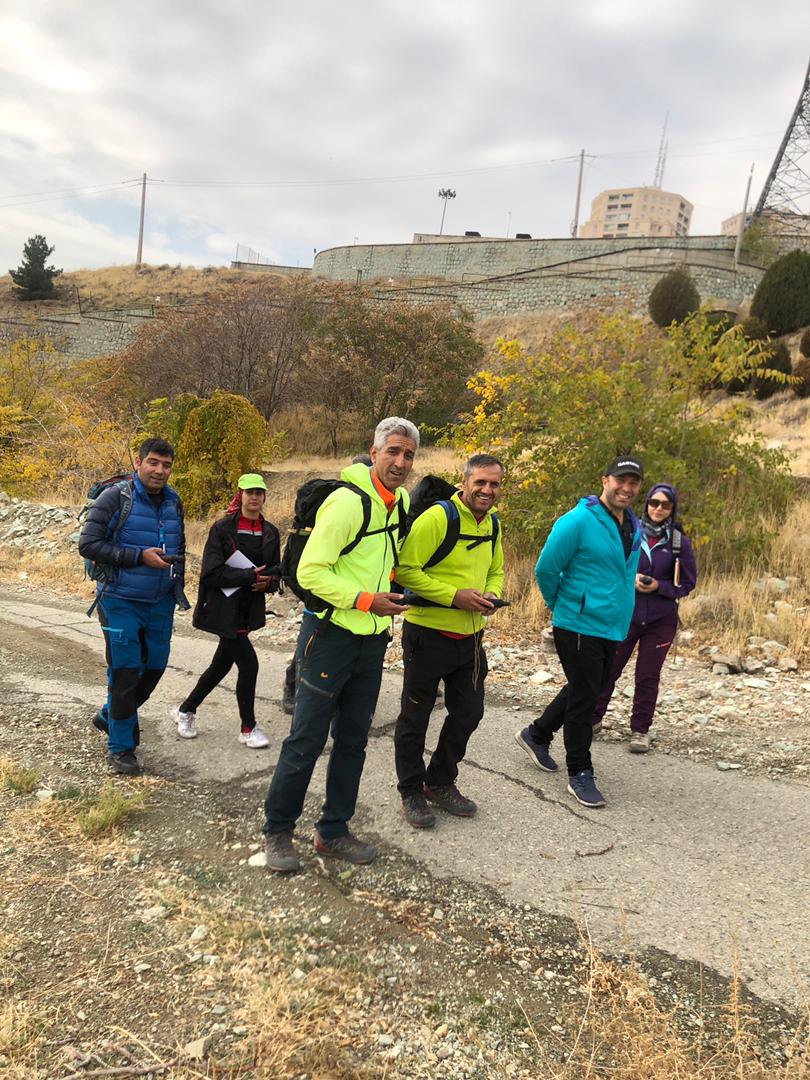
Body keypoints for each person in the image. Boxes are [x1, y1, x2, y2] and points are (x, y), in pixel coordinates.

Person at [263, 418, 418, 872]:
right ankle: (278, 831)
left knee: (353, 740)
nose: (400, 462)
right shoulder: (347, 503)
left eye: (408, 455)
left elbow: (382, 562)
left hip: (372, 641)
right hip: (329, 637)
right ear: (374, 452)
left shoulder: (400, 502)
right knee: (306, 740)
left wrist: (396, 595)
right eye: (393, 451)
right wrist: (367, 600)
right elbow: (309, 572)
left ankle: (332, 831)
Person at [514, 456, 644, 808]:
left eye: (633, 482)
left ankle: (537, 734)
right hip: (577, 624)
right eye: (620, 480)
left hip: (612, 624)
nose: (626, 488)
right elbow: (546, 568)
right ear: (605, 480)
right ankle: (580, 773)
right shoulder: (577, 521)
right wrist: (563, 605)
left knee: (587, 688)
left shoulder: (633, 525)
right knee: (586, 698)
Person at [393, 453, 505, 828]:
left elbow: (496, 570)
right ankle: (411, 790)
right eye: (480, 482)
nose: (487, 490)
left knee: (469, 713)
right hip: (427, 634)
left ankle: (439, 781)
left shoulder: (493, 524)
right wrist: (454, 596)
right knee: (415, 717)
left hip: (470, 638)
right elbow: (405, 571)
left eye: (494, 484)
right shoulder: (438, 518)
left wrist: (491, 594)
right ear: (464, 482)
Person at [79, 438, 188, 776]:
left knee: (154, 668)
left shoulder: (173, 502)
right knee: (125, 673)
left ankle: (110, 714)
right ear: (139, 463)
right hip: (119, 600)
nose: (159, 470)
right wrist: (139, 557)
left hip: (160, 602)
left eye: (166, 465)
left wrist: (177, 588)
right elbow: (89, 544)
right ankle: (121, 748)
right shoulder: (116, 498)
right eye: (153, 462)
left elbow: (179, 548)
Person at [173, 474, 281, 748]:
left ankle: (186, 710)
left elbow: (275, 572)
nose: (254, 497)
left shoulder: (270, 532)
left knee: (220, 665)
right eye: (249, 492)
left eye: (259, 492)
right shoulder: (222, 529)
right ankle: (248, 728)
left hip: (248, 609)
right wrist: (248, 576)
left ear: (264, 497)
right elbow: (210, 572)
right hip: (223, 609)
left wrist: (268, 583)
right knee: (249, 664)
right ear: (240, 495)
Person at [590, 483, 697, 753]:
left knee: (647, 676)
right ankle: (592, 719)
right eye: (654, 503)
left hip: (661, 620)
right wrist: (631, 580)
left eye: (665, 505)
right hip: (626, 614)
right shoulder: (630, 531)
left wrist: (659, 587)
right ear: (646, 503)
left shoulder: (678, 542)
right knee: (609, 668)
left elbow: (687, 583)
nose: (658, 509)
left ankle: (640, 730)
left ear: (672, 509)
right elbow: (610, 569)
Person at [281, 452, 374, 717]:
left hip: (345, 595)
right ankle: (294, 689)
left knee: (316, 646)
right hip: (323, 593)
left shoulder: (372, 505)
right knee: (310, 646)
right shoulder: (341, 502)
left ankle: (309, 692)